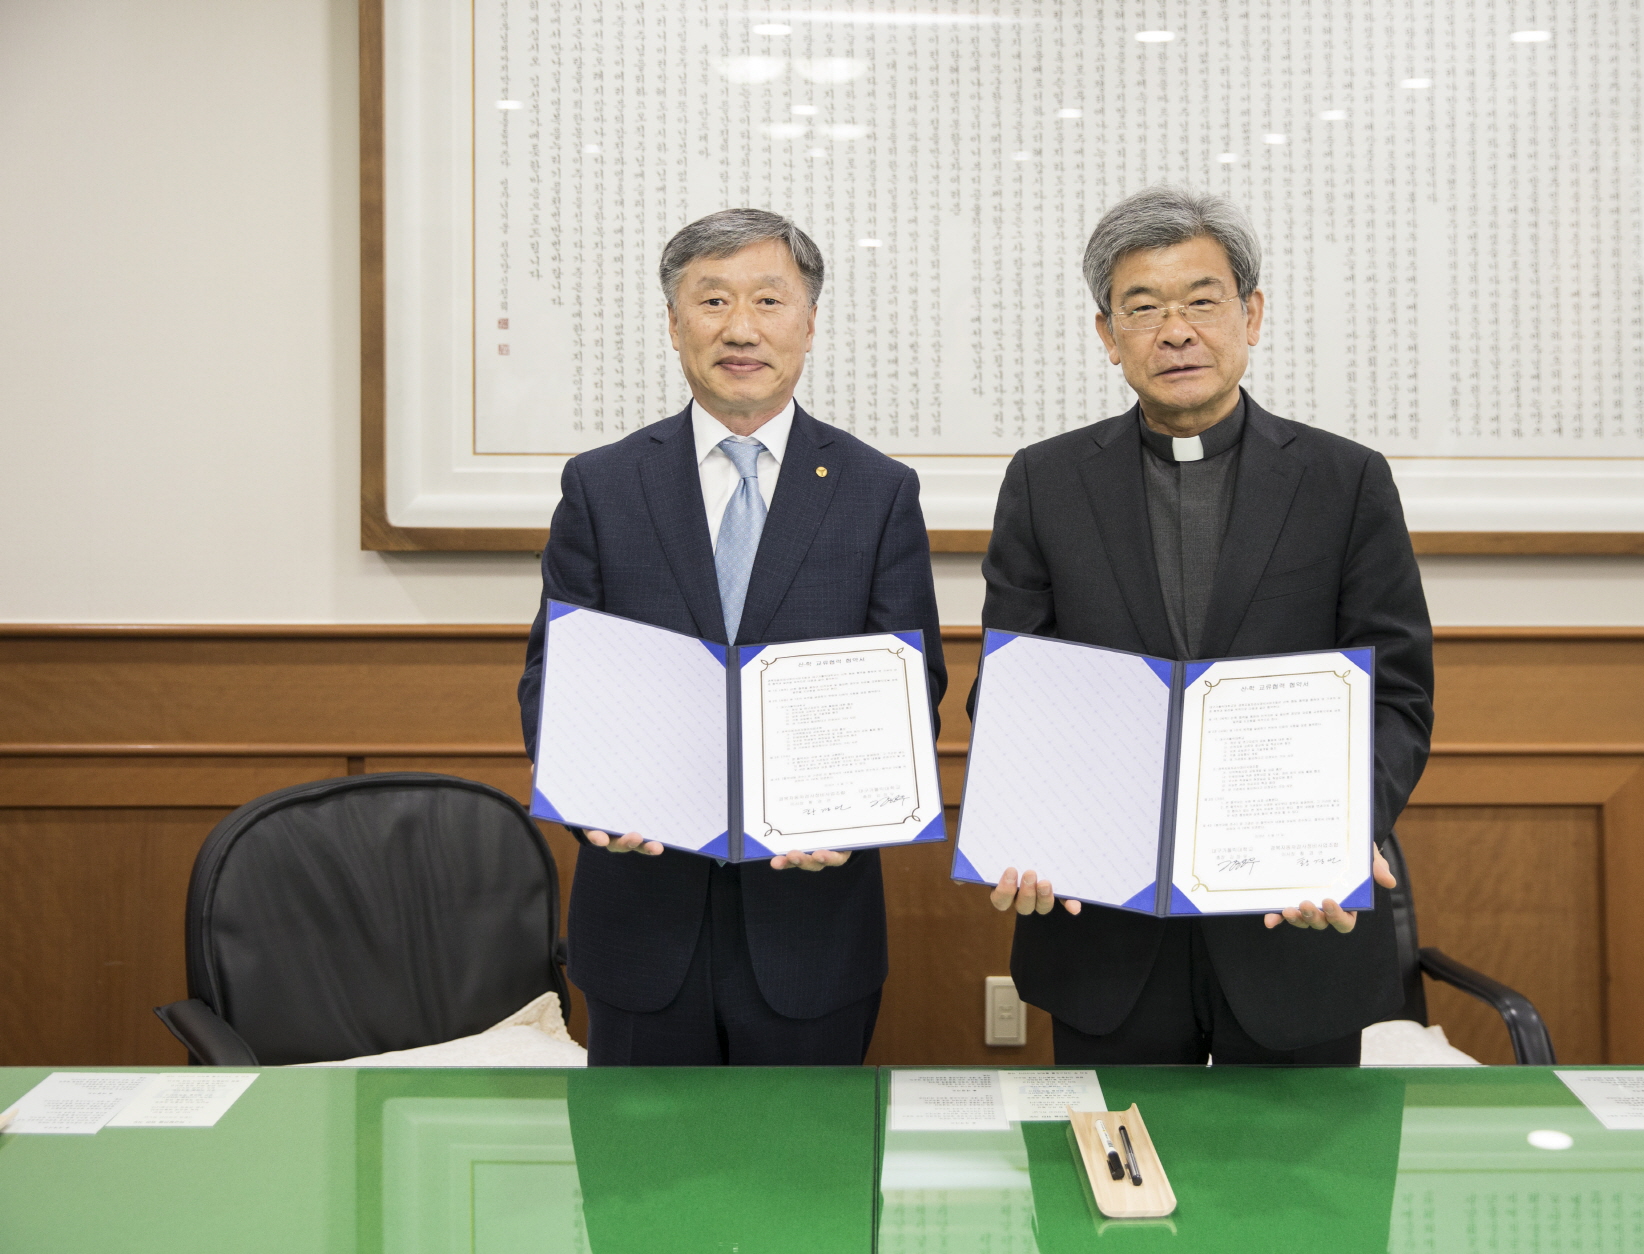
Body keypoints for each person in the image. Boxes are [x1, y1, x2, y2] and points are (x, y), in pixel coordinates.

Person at [979, 186, 1434, 1065]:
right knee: (1111, 1187)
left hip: (1296, 922)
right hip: (1105, 928)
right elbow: (1016, 692)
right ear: (1108, 338)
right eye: (1142, 309)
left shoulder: (1345, 483)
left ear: (1251, 315)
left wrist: (1337, 836)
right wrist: (1028, 826)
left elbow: (1400, 696)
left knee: (1307, 1201)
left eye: (1201, 301)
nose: (1175, 331)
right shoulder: (1046, 483)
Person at [519, 208, 945, 1066]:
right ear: (675, 324)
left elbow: (911, 682)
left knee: (809, 1188)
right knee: (636, 1188)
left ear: (810, 322)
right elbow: (555, 676)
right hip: (640, 920)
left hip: (811, 928)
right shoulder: (604, 485)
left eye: (768, 301)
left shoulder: (877, 490)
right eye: (712, 301)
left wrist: (856, 815)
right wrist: (590, 794)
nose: (741, 329)